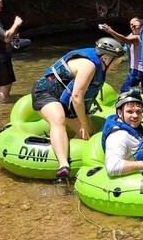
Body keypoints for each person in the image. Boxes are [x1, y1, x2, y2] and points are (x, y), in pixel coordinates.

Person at [32, 37, 126, 179]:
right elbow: (77, 97)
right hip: (46, 92)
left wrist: (86, 126)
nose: (118, 64)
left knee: (88, 134)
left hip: (66, 99)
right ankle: (63, 165)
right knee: (59, 119)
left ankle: (74, 153)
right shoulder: (89, 66)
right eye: (117, 61)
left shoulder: (99, 65)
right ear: (106, 58)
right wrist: (83, 122)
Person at [100, 17, 143, 92]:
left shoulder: (137, 38)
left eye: (135, 26)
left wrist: (110, 31)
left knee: (124, 89)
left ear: (142, 27)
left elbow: (125, 40)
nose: (132, 27)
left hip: (137, 70)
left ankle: (136, 93)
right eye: (131, 25)